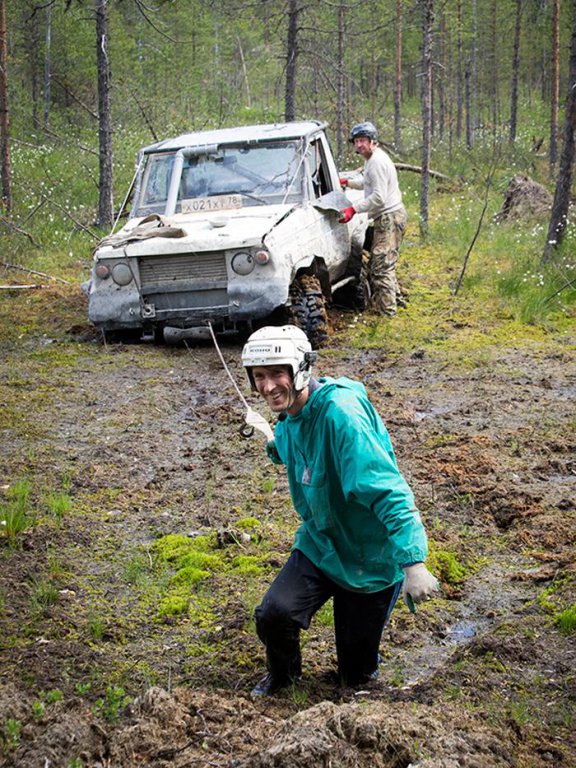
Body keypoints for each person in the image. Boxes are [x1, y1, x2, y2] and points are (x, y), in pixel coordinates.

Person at [241, 324, 439, 696]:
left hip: (369, 557)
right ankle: (283, 681)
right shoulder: (291, 413)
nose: (268, 387)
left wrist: (414, 564)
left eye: (277, 373)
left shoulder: (341, 417)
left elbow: (388, 491)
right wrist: (270, 441)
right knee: (273, 615)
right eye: (259, 377)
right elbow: (293, 443)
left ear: (300, 369)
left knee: (355, 677)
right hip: (322, 543)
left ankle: (358, 671)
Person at [339, 121, 407, 316]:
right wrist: (349, 183)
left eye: (363, 141)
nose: (359, 145)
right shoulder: (372, 159)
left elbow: (378, 197)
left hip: (389, 217)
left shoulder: (376, 161)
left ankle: (387, 313)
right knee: (384, 260)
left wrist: (353, 209)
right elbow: (369, 183)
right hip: (388, 216)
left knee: (380, 266)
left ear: (372, 141)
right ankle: (396, 299)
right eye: (356, 141)